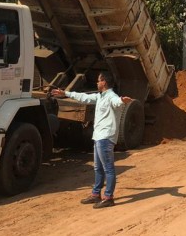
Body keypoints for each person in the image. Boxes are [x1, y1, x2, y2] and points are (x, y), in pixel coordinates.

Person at [50, 72, 133, 209]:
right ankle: (96, 194)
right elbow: (84, 97)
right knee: (98, 167)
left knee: (108, 169)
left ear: (104, 82)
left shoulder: (111, 96)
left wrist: (122, 101)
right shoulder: (100, 96)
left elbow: (117, 103)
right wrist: (65, 93)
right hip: (99, 136)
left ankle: (108, 197)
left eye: (98, 80)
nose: (97, 83)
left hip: (106, 137)